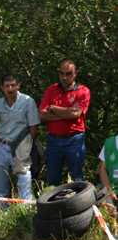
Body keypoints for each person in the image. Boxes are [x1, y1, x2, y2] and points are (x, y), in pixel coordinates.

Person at [0, 74, 40, 206]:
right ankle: (2, 217)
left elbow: (34, 127)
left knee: (24, 181)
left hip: (22, 144)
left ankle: (25, 213)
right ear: (2, 88)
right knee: (0, 185)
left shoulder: (27, 101)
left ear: (18, 85)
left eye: (13, 85)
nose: (10, 88)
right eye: (7, 86)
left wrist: (28, 145)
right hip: (2, 145)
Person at [39, 58, 90, 186]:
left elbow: (76, 113)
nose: (64, 77)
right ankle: (53, 206)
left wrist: (53, 108)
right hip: (54, 140)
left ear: (75, 73)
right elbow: (42, 116)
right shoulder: (51, 90)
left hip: (75, 139)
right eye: (62, 73)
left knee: (77, 177)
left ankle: (80, 205)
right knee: (52, 179)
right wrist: (67, 114)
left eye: (68, 74)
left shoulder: (83, 91)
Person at [98, 133, 118, 207]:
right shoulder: (109, 143)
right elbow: (102, 169)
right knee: (106, 205)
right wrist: (109, 190)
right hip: (112, 187)